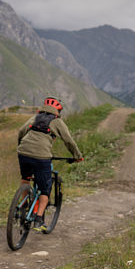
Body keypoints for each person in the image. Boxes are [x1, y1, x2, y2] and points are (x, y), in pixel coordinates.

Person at [16, 96, 83, 231]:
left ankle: (23, 205)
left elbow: (21, 131)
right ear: (57, 111)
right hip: (41, 157)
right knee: (45, 189)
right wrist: (77, 156)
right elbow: (68, 140)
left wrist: (21, 146)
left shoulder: (35, 117)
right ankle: (38, 220)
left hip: (23, 152)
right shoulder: (57, 121)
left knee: (26, 178)